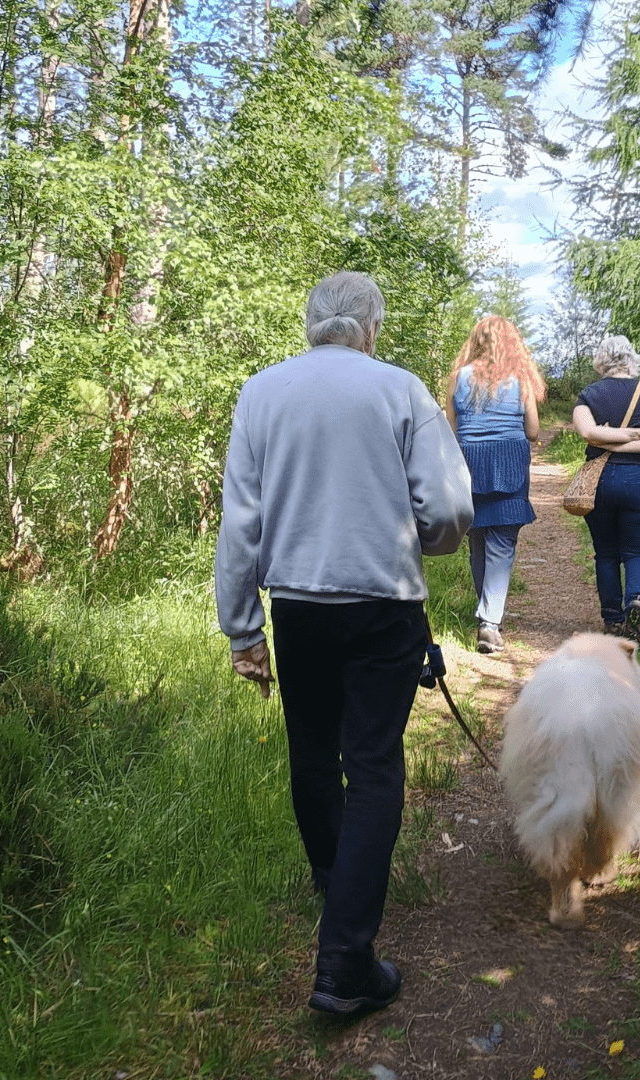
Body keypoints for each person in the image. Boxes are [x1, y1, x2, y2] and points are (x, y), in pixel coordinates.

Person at [214, 272, 473, 1016]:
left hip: (297, 605)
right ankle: (345, 962)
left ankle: (336, 879)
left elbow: (241, 522)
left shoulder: (262, 392)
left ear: (309, 324)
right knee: (373, 767)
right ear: (372, 325)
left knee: (312, 751)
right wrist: (435, 543)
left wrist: (243, 628)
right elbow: (452, 505)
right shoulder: (401, 391)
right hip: (383, 605)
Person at [444, 316, 545, 654]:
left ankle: (488, 616)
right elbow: (532, 431)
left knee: (478, 543)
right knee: (502, 545)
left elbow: (451, 431)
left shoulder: (459, 377)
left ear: (476, 341)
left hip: (468, 466)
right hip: (509, 465)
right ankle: (489, 623)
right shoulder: (521, 380)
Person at [571, 335, 640, 645]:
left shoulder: (589, 394)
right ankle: (637, 601)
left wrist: (610, 439)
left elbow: (588, 432)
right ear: (632, 360)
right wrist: (636, 436)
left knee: (607, 553)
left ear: (602, 361)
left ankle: (613, 621)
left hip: (599, 482)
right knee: (639, 550)